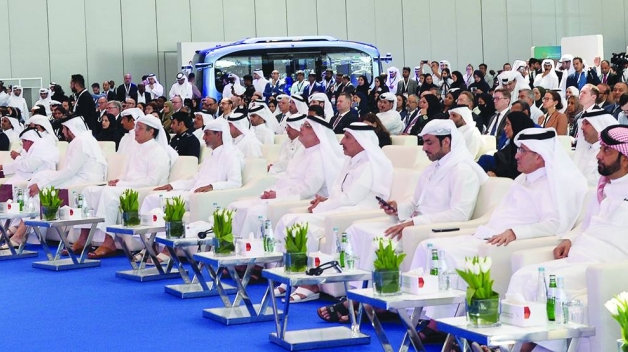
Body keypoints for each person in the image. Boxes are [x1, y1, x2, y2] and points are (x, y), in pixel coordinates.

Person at [506, 125, 628, 352]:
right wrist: (570, 239)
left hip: (609, 266)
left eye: (606, 151)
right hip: (581, 258)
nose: (598, 155)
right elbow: (588, 224)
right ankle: (511, 345)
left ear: (626, 159)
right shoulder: (606, 187)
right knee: (522, 275)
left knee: (548, 285)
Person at [411, 127, 587, 326]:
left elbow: (556, 225)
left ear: (540, 157)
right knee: (429, 246)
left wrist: (515, 232)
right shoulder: (522, 179)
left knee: (447, 255)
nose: (517, 156)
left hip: (510, 243)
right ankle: (424, 315)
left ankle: (440, 323)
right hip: (490, 235)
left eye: (523, 151)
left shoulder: (557, 184)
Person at [337, 120, 486, 319]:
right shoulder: (431, 169)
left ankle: (368, 303)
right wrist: (397, 207)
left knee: (381, 241)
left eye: (429, 143)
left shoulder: (463, 170)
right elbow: (415, 203)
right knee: (358, 229)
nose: (424, 148)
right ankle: (358, 294)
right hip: (414, 224)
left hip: (434, 228)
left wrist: (414, 223)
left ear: (447, 142)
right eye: (423, 142)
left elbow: (459, 214)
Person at [273, 123, 394, 302]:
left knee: (303, 224)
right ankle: (293, 272)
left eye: (347, 137)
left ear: (362, 141)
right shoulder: (351, 161)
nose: (341, 142)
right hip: (340, 207)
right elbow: (339, 193)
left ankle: (310, 284)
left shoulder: (369, 164)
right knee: (288, 219)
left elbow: (351, 198)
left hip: (358, 211)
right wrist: (325, 201)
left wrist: (325, 205)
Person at [73, 115, 178, 257]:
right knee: (88, 190)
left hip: (143, 190)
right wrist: (117, 180)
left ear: (151, 131)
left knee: (108, 194)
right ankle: (84, 238)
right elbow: (127, 173)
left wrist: (122, 183)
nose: (135, 131)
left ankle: (108, 241)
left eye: (139, 128)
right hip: (126, 186)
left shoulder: (159, 152)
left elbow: (152, 181)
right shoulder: (135, 148)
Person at [140, 118, 243, 214]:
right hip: (192, 193)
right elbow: (195, 181)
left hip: (205, 197)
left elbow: (235, 182)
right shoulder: (210, 156)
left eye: (207, 134)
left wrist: (212, 186)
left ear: (219, 135)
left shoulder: (232, 154)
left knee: (155, 200)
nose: (203, 138)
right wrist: (173, 185)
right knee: (152, 197)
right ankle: (146, 232)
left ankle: (154, 232)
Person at [27, 115, 107, 199]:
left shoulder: (80, 141)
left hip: (85, 181)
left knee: (44, 189)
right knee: (40, 175)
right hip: (80, 177)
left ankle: (34, 209)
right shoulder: (85, 139)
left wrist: (40, 186)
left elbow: (70, 170)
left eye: (64, 128)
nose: (62, 131)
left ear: (71, 130)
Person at [573, 109, 617, 185]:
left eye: (586, 124)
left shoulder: (612, 154)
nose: (582, 128)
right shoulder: (585, 149)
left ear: (599, 126)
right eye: (582, 124)